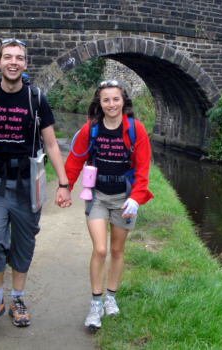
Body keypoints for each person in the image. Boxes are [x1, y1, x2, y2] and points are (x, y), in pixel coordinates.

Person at [0, 38, 72, 335]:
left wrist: (63, 183)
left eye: (19, 58)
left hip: (28, 184)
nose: (13, 62)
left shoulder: (37, 99)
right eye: (7, 57)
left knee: (24, 243)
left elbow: (51, 143)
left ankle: (18, 300)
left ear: (25, 64)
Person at [64, 80, 154, 329]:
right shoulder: (91, 129)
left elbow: (143, 168)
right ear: (99, 103)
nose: (111, 104)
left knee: (117, 251)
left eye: (116, 99)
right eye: (106, 100)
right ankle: (95, 305)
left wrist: (136, 197)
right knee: (100, 250)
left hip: (125, 198)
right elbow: (75, 159)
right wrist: (65, 187)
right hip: (99, 196)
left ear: (123, 101)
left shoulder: (136, 130)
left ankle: (111, 298)